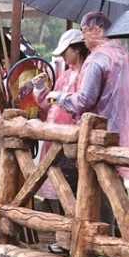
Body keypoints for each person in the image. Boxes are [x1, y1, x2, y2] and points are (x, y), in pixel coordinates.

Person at [47, 11, 129, 236]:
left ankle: (100, 241)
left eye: (85, 32)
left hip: (98, 134)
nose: (84, 38)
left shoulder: (97, 59)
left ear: (97, 30)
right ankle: (123, 237)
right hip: (120, 132)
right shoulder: (123, 55)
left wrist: (60, 98)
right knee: (114, 187)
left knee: (97, 188)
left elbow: (84, 99)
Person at [31, 29, 89, 206]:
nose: (63, 56)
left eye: (65, 51)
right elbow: (51, 106)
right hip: (57, 138)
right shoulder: (65, 75)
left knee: (75, 186)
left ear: (77, 49)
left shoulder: (87, 73)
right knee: (58, 183)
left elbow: (82, 103)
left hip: (74, 139)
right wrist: (40, 88)